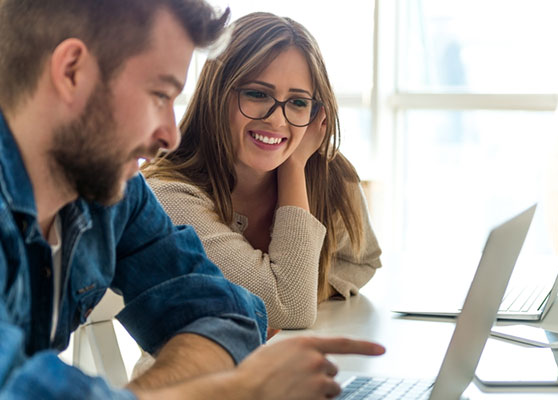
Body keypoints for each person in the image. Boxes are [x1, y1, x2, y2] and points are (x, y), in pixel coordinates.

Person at [0, 1, 383, 399]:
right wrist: (230, 390)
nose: (170, 134)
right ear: (71, 71)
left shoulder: (109, 191)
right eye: (160, 94)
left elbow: (227, 315)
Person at [143, 12, 382, 330]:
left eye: (297, 102)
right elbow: (289, 307)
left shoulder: (327, 173)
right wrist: (294, 167)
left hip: (292, 368)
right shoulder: (167, 193)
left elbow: (361, 259)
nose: (278, 121)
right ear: (217, 94)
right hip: (198, 378)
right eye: (257, 94)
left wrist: (303, 285)